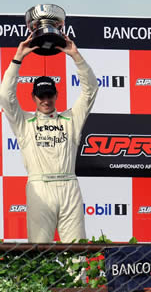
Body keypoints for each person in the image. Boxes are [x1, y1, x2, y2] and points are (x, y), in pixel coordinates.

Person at [0, 34, 99, 243]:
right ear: (34, 97)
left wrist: (76, 56)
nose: (46, 100)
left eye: (49, 95)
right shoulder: (23, 122)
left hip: (69, 186)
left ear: (56, 95)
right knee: (38, 251)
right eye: (41, 95)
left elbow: (90, 90)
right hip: (40, 187)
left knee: (77, 254)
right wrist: (18, 57)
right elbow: (5, 97)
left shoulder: (70, 118)